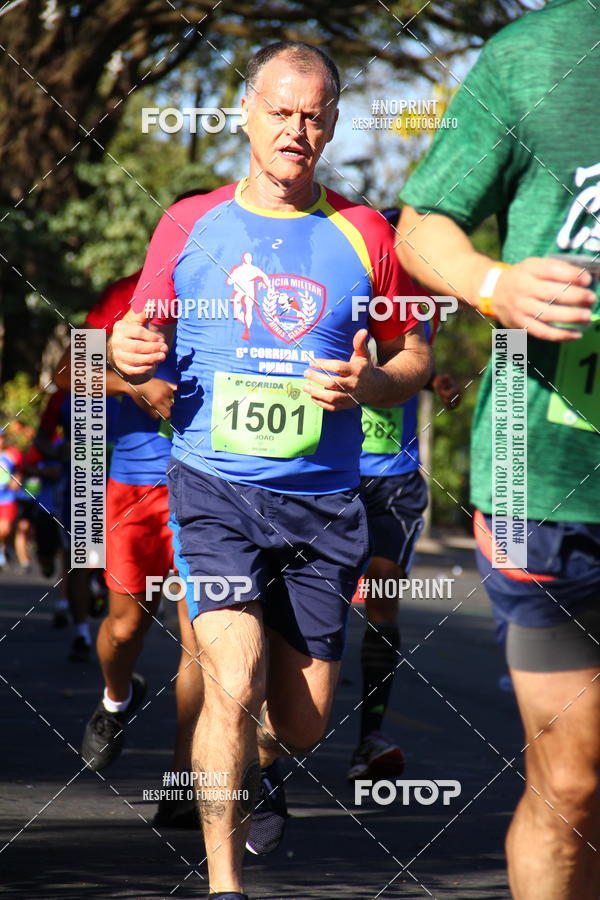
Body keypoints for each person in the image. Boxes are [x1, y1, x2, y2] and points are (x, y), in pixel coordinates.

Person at [109, 41, 432, 900]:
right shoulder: (188, 221)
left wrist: (373, 381)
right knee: (232, 674)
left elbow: (414, 356)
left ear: (329, 126)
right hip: (213, 489)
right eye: (280, 111)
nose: (296, 128)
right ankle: (224, 885)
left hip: (325, 508)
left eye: (313, 115)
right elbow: (138, 335)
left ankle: (262, 759)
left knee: (301, 720)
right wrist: (124, 346)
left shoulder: (366, 234)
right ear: (246, 115)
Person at [397, 2, 600, 897]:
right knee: (574, 781)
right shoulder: (537, 54)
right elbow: (422, 225)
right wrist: (494, 284)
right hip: (545, 487)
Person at [53, 265, 204, 828]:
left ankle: (183, 782)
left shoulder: (249, 298)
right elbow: (70, 372)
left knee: (201, 641)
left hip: (208, 489)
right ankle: (117, 697)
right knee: (124, 629)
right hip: (131, 489)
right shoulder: (128, 294)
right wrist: (132, 385)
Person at [350, 211, 461, 780]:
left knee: (383, 593)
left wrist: (439, 381)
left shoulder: (424, 299)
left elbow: (416, 362)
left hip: (394, 478)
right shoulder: (342, 282)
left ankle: (371, 737)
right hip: (325, 473)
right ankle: (269, 742)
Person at [0, 428, 23, 569]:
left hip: (7, 497)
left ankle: (3, 546)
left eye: (2, 437)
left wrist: (17, 481)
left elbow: (19, 473)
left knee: (5, 528)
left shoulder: (10, 456)